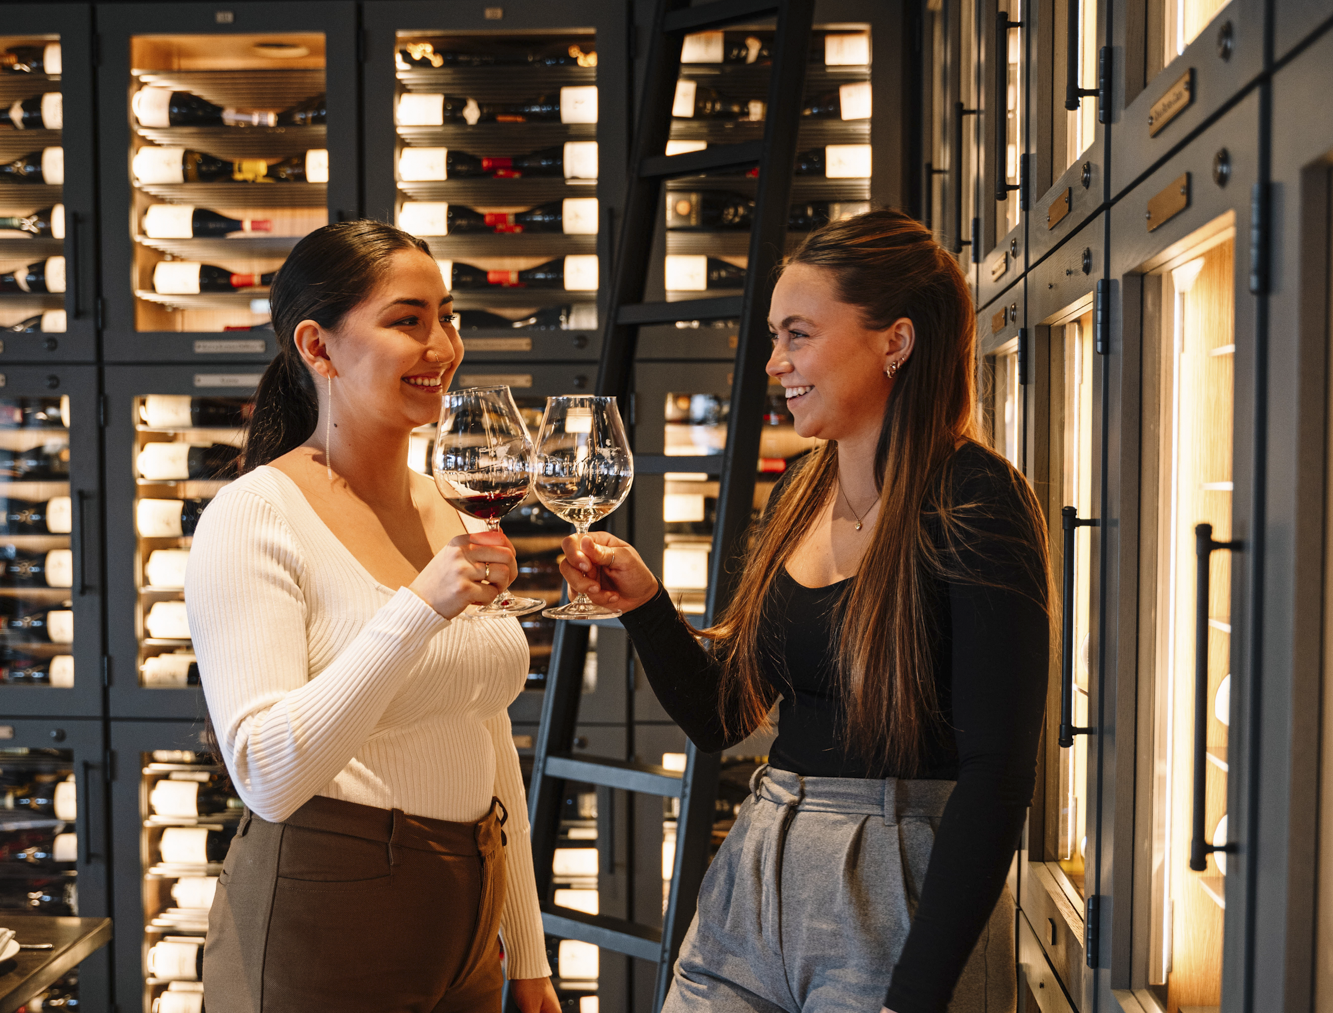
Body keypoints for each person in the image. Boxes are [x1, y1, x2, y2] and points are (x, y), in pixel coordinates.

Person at [557, 208, 1051, 1013]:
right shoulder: (801, 488)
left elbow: (996, 778)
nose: (774, 362)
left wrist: (914, 995)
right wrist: (645, 606)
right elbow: (723, 715)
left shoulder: (977, 499)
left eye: (797, 335)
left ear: (894, 341)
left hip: (898, 895)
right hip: (757, 869)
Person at [185, 220, 559, 1013]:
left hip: (468, 916)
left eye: (446, 316)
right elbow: (266, 773)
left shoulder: (445, 507)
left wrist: (527, 952)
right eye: (407, 320)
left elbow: (483, 726)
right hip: (327, 913)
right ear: (317, 347)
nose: (444, 345)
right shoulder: (254, 517)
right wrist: (418, 606)